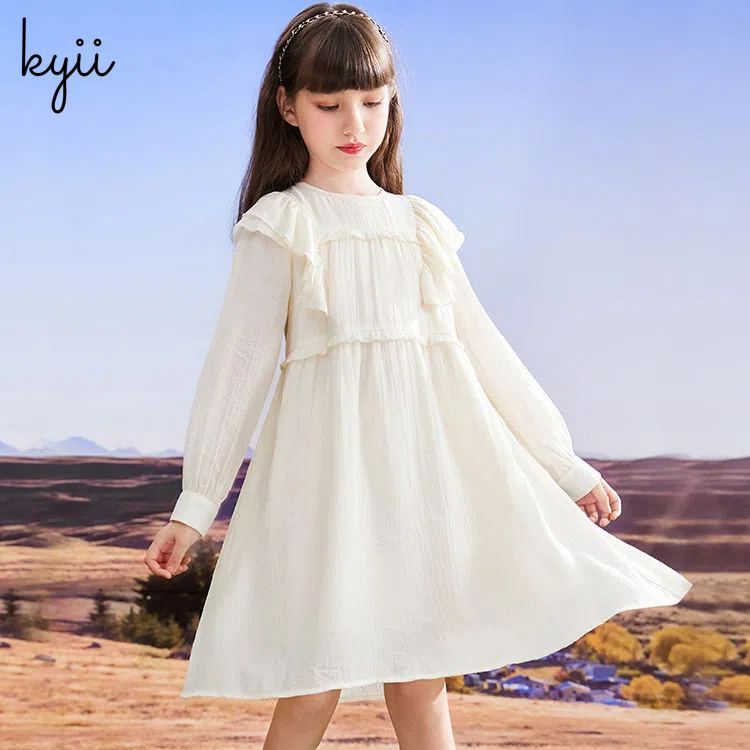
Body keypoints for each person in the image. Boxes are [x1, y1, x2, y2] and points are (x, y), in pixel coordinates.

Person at [144, 4, 693, 749]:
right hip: (328, 484)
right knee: (313, 675)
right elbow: (236, 370)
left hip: (422, 483)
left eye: (372, 102)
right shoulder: (284, 224)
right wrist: (196, 502)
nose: (354, 124)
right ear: (288, 107)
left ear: (392, 101)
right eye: (330, 105)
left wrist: (560, 463)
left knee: (421, 674)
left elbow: (485, 353)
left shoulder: (421, 227)